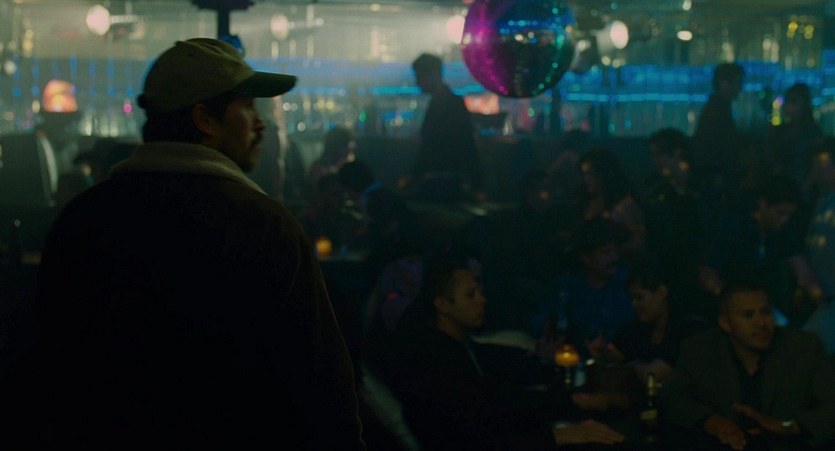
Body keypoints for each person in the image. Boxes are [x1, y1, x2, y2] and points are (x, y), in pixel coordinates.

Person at [11, 38, 366, 449]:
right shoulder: (264, 226)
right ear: (205, 119)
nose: (260, 123)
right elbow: (321, 388)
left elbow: (48, 370)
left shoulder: (83, 219)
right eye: (247, 107)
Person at [392, 248, 625, 451]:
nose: (482, 300)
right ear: (442, 305)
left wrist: (572, 401)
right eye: (470, 295)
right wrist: (558, 436)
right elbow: (472, 438)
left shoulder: (462, 348)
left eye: (480, 292)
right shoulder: (435, 363)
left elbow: (505, 394)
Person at [660, 282, 835, 450]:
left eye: (765, 312)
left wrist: (787, 426)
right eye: (748, 315)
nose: (761, 323)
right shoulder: (700, 349)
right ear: (725, 323)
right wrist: (711, 421)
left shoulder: (803, 348)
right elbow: (672, 397)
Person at [699, 175, 824, 326]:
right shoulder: (735, 226)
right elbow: (707, 273)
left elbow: (803, 272)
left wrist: (824, 305)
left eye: (789, 215)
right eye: (780, 213)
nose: (785, 220)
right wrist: (733, 301)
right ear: (763, 204)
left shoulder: (784, 232)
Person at [401, 53, 483, 203]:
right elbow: (467, 144)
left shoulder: (444, 104)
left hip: (442, 183)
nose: (417, 82)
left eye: (419, 76)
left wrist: (415, 175)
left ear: (432, 75)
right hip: (448, 180)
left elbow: (433, 146)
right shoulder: (450, 102)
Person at [576, 147, 646, 258]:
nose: (585, 179)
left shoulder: (624, 205)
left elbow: (640, 241)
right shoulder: (588, 202)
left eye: (590, 174)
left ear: (604, 173)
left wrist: (615, 251)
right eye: (584, 174)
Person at [763, 83, 822, 198]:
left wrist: (804, 189)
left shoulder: (812, 133)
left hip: (802, 190)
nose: (788, 106)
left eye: (793, 102)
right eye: (787, 102)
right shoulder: (780, 131)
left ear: (804, 105)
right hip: (781, 189)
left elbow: (817, 165)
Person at [308, 125, 357, 197]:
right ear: (337, 147)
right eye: (348, 148)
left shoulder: (343, 169)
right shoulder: (319, 170)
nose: (350, 153)